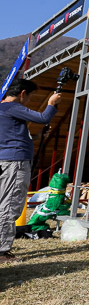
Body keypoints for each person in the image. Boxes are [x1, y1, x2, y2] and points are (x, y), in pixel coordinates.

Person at [0, 78, 61, 262]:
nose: (28, 102)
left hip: (5, 159)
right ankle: (2, 251)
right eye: (29, 97)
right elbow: (43, 118)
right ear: (22, 93)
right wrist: (51, 103)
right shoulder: (13, 107)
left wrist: (37, 136)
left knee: (3, 203)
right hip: (15, 163)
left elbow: (11, 137)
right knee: (10, 205)